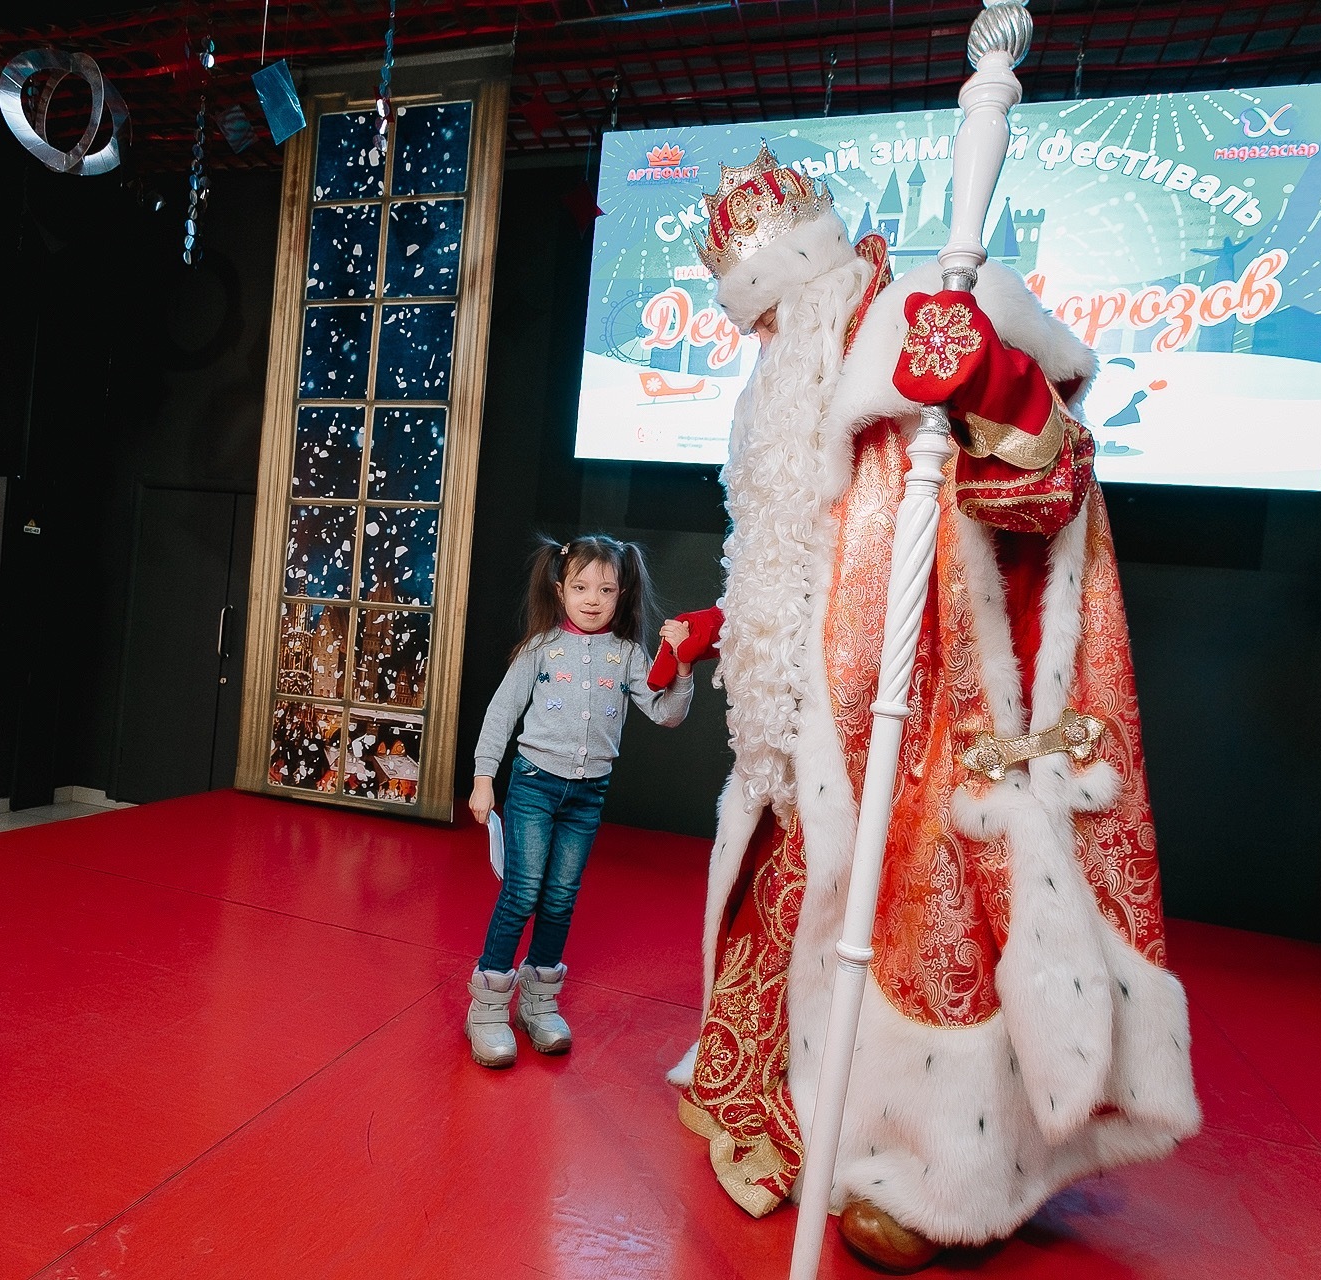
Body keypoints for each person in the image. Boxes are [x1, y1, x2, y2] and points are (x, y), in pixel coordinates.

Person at [660, 147, 1201, 1271]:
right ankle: (805, 1115)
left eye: (772, 319)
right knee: (792, 924)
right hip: (816, 748)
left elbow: (1049, 489)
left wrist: (992, 385)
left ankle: (937, 1175)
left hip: (934, 738)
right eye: (753, 328)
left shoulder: (933, 317)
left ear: (813, 284)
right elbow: (793, 572)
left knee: (934, 945)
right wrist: (719, 627)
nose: (764, 345)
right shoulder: (793, 400)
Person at [464, 535, 697, 1069]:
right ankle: (488, 1006)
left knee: (561, 898)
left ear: (622, 593)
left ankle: (539, 1003)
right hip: (533, 784)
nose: (593, 599)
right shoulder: (540, 648)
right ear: (560, 589)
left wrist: (683, 667)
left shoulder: (628, 653)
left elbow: (666, 714)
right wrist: (483, 777)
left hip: (588, 793)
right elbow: (501, 712)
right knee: (522, 892)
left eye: (606, 590)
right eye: (581, 587)